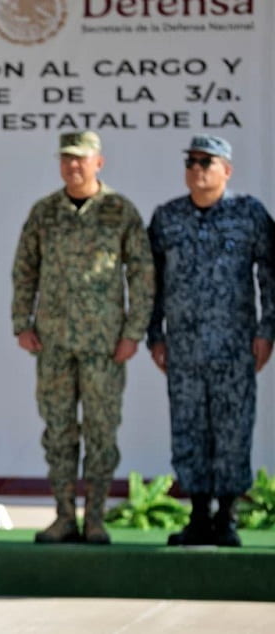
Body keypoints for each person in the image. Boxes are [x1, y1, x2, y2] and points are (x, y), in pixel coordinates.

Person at [12, 131, 154, 545]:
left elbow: (142, 276)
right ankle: (63, 516)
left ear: (98, 162)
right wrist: (22, 322)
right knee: (58, 431)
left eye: (81, 159)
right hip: (53, 342)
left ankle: (95, 518)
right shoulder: (45, 212)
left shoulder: (119, 211)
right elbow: (25, 269)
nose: (73, 166)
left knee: (101, 430)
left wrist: (133, 333)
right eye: (67, 159)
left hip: (104, 345)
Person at [147, 134, 275, 547]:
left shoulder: (249, 213)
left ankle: (228, 518)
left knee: (233, 430)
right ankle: (199, 516)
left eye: (207, 161)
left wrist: (266, 329)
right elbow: (154, 284)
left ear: (227, 170)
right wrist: (155, 334)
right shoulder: (167, 218)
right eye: (192, 161)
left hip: (235, 347)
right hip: (183, 349)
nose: (197, 168)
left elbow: (270, 275)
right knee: (188, 430)